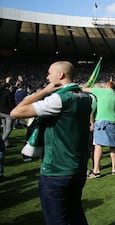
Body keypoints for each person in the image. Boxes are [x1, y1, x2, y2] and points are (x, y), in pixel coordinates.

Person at [10, 61, 91, 225]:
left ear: (60, 75)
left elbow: (15, 112)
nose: (47, 76)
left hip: (56, 169)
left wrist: (44, 91)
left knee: (56, 219)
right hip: (78, 167)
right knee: (75, 214)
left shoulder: (59, 99)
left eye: (49, 73)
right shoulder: (85, 97)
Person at [83, 81, 115, 178]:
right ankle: (114, 169)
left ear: (106, 87)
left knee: (98, 146)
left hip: (101, 122)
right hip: (113, 122)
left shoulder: (101, 92)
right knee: (113, 146)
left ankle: (96, 171)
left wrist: (86, 87)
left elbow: (84, 89)